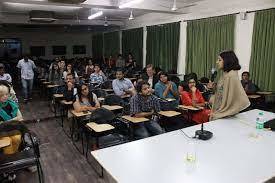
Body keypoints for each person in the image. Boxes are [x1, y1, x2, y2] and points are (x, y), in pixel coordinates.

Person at [210, 50, 250, 120]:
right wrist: (214, 87)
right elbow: (223, 92)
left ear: (227, 61)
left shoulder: (231, 75)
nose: (217, 62)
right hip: (220, 110)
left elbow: (234, 97)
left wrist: (221, 113)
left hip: (224, 114)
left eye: (219, 60)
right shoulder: (226, 74)